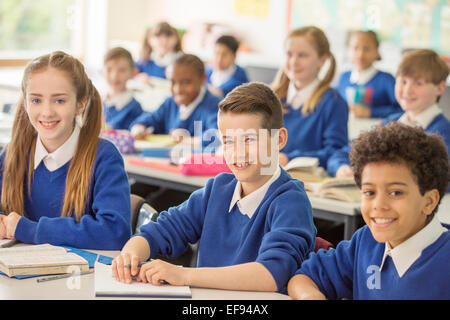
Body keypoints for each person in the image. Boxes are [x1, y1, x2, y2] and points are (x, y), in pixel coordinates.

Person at [112, 82, 316, 294]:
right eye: (228, 141)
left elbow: (271, 274)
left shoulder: (291, 201)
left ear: (279, 139)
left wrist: (183, 275)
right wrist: (130, 255)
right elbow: (162, 229)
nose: (237, 153)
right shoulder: (218, 189)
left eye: (248, 140)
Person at [288, 122, 450, 300]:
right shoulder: (366, 241)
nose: (378, 205)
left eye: (396, 192)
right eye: (369, 192)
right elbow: (304, 277)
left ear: (429, 201)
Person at [0, 51, 131, 250]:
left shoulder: (103, 157)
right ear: (26, 103)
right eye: (36, 100)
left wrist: (30, 229)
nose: (47, 112)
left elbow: (115, 232)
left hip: (82, 278)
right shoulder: (11, 155)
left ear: (81, 103)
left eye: (59, 101)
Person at [328, 48, 450, 178]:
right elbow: (341, 155)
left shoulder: (443, 132)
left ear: (440, 88)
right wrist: (341, 167)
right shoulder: (389, 124)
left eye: (418, 83)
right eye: (403, 81)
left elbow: (442, 178)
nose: (407, 91)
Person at [271, 26, 348, 169]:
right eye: (289, 54)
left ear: (322, 60)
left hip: (309, 181)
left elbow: (334, 153)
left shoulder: (334, 103)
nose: (294, 61)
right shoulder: (270, 98)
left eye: (302, 55)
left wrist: (290, 158)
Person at [130, 53, 220, 148]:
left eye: (185, 82)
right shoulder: (170, 102)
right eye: (172, 82)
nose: (178, 89)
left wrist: (187, 140)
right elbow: (149, 118)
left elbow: (218, 137)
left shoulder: (215, 106)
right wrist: (139, 127)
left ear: (203, 79)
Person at [336, 30, 401, 118]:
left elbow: (403, 110)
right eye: (355, 48)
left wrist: (371, 112)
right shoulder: (343, 78)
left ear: (376, 51)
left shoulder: (386, 80)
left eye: (366, 49)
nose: (360, 54)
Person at [102, 47, 143, 130]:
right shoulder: (97, 102)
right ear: (102, 71)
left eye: (122, 70)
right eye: (109, 69)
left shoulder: (135, 108)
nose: (114, 75)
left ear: (133, 73)